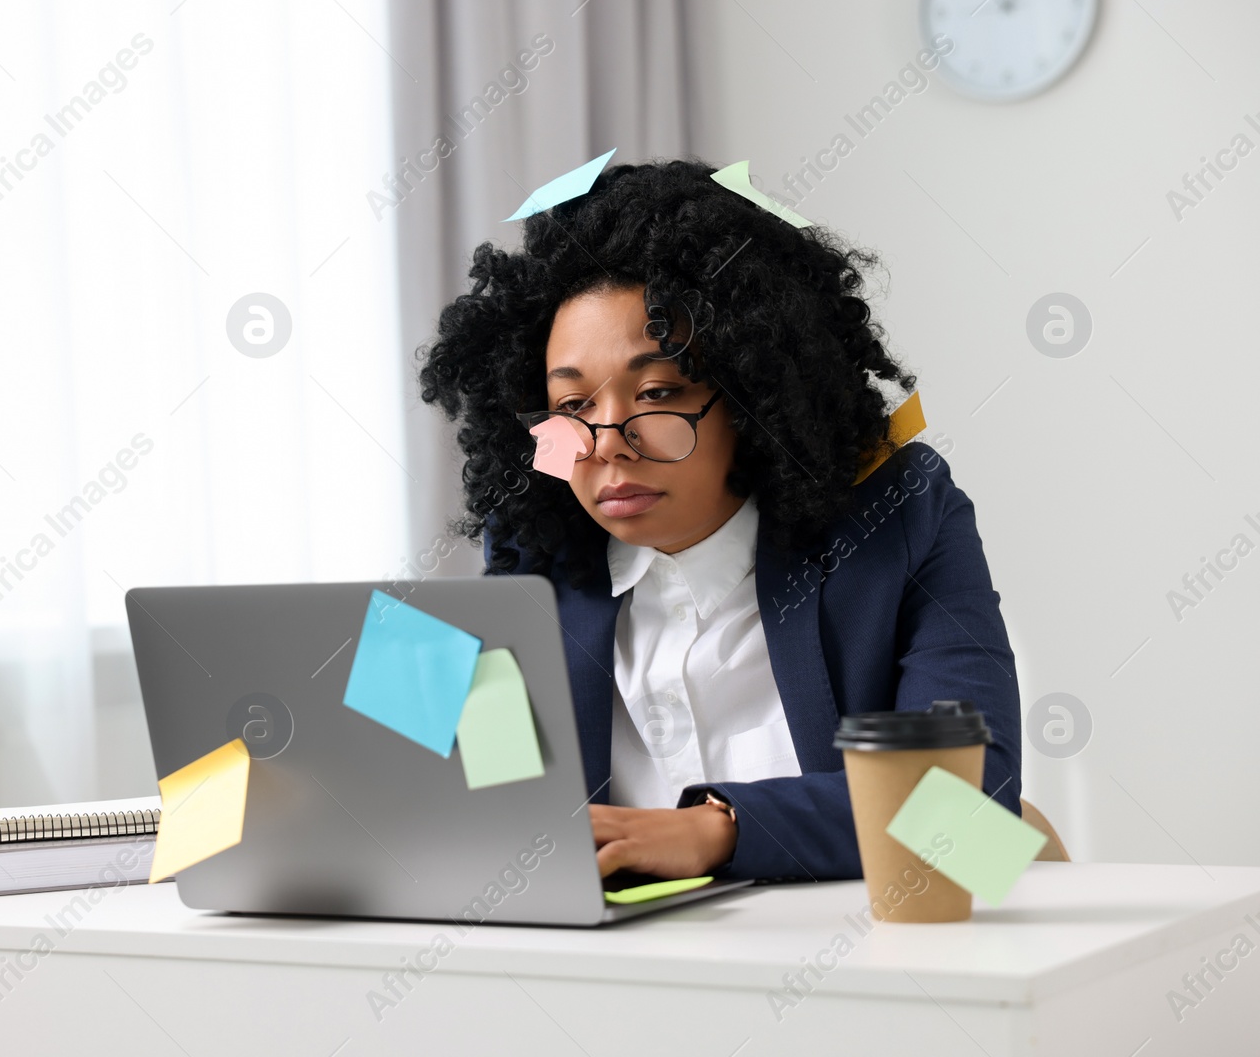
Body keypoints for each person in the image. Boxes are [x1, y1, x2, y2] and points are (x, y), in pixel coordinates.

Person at [415, 158, 1019, 883]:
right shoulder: (533, 552)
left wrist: (716, 829)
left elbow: (969, 801)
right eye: (572, 407)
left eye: (659, 391)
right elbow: (502, 792)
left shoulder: (899, 516)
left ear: (751, 396)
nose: (607, 444)